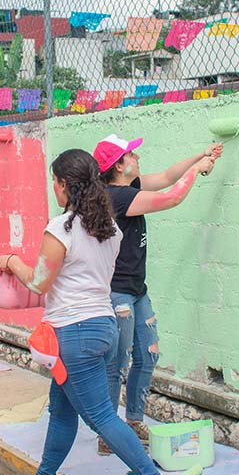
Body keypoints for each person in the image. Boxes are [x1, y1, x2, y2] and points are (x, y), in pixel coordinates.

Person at [0, 149, 174, 475]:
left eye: (55, 181)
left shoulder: (61, 228)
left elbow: (39, 282)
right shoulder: (108, 228)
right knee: (61, 411)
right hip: (103, 325)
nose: (54, 188)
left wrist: (11, 262)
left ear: (64, 185)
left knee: (101, 417)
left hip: (73, 333)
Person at [95, 133, 220, 454]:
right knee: (117, 364)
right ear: (118, 166)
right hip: (118, 295)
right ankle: (109, 434)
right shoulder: (116, 198)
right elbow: (172, 196)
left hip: (137, 291)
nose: (137, 157)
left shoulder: (128, 188)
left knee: (147, 354)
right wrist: (198, 171)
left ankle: (133, 422)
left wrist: (199, 156)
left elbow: (166, 177)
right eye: (131, 155)